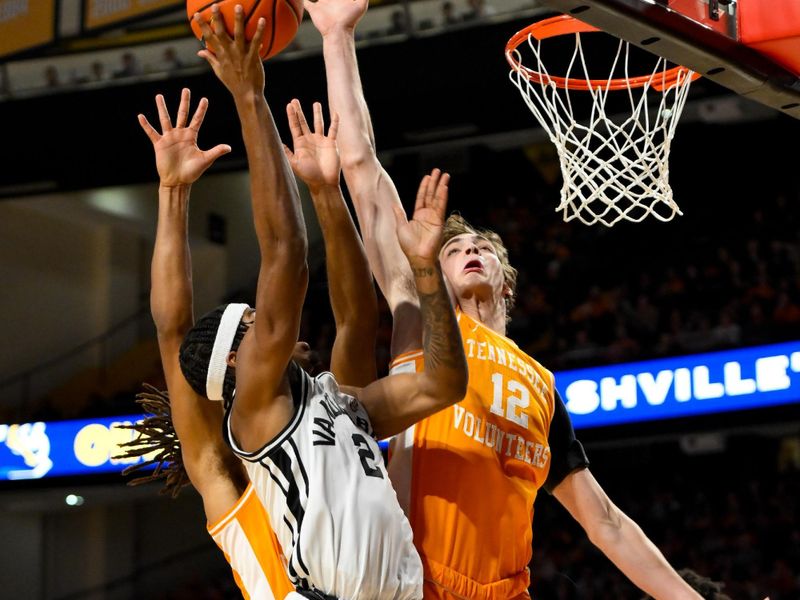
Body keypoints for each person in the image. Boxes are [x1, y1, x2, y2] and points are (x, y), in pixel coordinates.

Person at [303, 0, 704, 598]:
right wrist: (337, 36)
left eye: (481, 248)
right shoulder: (420, 320)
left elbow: (607, 524)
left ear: (506, 280)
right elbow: (361, 168)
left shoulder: (541, 385)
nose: (466, 251)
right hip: (418, 583)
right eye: (451, 247)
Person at [178, 5, 468, 599]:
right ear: (236, 362)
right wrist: (251, 98)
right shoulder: (254, 408)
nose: (278, 330)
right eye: (256, 327)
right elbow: (284, 253)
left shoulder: (338, 401)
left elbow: (437, 381)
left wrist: (331, 198)